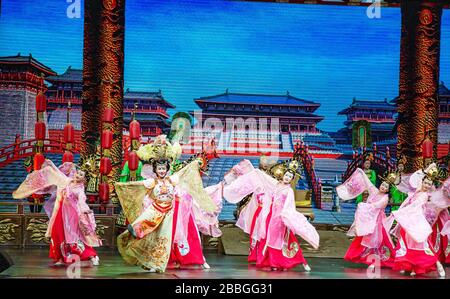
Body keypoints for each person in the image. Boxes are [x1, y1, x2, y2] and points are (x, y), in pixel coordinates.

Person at [114, 135, 216, 273]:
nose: (162, 170)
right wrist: (121, 185)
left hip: (173, 210)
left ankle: (198, 259)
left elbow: (187, 170)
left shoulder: (173, 177)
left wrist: (202, 157)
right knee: (155, 236)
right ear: (155, 169)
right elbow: (138, 185)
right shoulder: (151, 180)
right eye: (159, 168)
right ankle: (151, 258)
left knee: (184, 233)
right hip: (157, 209)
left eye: (164, 168)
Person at [223, 159, 319, 271]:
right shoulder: (275, 185)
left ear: (292, 179)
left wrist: (285, 217)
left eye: (289, 177)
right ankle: (272, 262)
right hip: (270, 216)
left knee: (286, 240)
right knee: (267, 239)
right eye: (286, 175)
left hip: (281, 218)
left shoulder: (289, 191)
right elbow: (264, 179)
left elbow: (289, 206)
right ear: (283, 175)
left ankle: (301, 261)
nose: (287, 177)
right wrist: (257, 172)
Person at [13, 159, 102, 266]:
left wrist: (84, 210)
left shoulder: (79, 189)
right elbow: (56, 173)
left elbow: (82, 200)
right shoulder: (66, 181)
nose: (77, 175)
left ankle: (92, 256)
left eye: (80, 175)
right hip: (60, 213)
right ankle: (59, 258)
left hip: (72, 215)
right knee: (57, 233)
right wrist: (51, 165)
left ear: (84, 180)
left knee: (76, 236)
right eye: (77, 173)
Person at [390, 163, 446, 277]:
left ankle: (438, 264)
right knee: (408, 243)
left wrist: (401, 213)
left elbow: (415, 206)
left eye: (429, 184)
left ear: (431, 186)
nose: (426, 185)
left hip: (418, 221)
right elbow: (418, 178)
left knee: (424, 244)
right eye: (425, 183)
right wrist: (428, 169)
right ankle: (412, 267)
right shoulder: (417, 192)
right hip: (411, 221)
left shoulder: (424, 195)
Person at [336, 168, 396, 269]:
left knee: (378, 240)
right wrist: (361, 172)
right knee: (363, 238)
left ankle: (376, 261)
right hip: (368, 219)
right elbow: (367, 183)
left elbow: (375, 206)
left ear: (388, 190)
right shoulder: (374, 191)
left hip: (378, 222)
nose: (383, 187)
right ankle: (363, 258)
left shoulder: (385, 198)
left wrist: (363, 206)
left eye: (386, 186)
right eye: (382, 185)